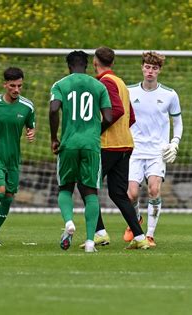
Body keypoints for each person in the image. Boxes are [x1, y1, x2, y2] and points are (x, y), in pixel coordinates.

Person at [77, 46, 149, 250]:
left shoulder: (105, 82)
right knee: (117, 193)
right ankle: (139, 236)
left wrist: (98, 130)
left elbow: (116, 110)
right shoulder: (120, 83)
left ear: (94, 62)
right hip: (125, 144)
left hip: (109, 146)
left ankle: (99, 233)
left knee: (85, 185)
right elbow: (131, 116)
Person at [49, 50, 112, 253]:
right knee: (90, 191)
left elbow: (53, 109)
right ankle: (90, 242)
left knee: (65, 187)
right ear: (87, 65)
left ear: (69, 66)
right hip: (91, 145)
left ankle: (69, 222)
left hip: (68, 143)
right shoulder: (99, 86)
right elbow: (109, 117)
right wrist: (93, 132)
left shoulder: (60, 85)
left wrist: (54, 138)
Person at [125, 51, 183, 247]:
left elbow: (178, 122)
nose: (150, 71)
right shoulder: (129, 91)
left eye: (154, 68)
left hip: (157, 151)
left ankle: (149, 235)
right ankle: (137, 219)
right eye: (147, 67)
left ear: (160, 70)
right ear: (142, 67)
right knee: (131, 194)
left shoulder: (169, 94)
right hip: (134, 150)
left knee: (154, 189)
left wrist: (174, 142)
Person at [0, 67, 36, 246]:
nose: (16, 89)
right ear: (5, 85)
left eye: (20, 86)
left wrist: (31, 132)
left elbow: (30, 125)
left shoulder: (27, 106)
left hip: (13, 158)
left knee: (9, 197)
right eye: (12, 86)